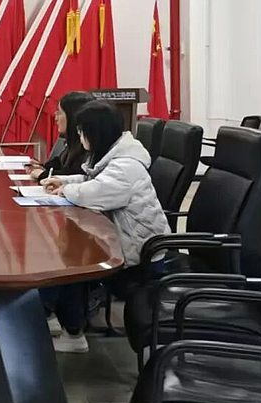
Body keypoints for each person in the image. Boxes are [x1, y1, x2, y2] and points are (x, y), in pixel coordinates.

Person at [40, 101, 170, 353]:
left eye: (82, 132)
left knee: (72, 261)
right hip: (125, 241)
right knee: (70, 251)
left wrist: (66, 190)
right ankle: (54, 317)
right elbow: (92, 179)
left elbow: (96, 192)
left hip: (141, 256)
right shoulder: (114, 156)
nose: (79, 137)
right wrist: (63, 181)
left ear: (95, 132)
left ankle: (70, 332)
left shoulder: (126, 166)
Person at [28, 91, 95, 181]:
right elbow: (60, 163)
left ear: (72, 116)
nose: (56, 118)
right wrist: (42, 167)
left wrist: (43, 174)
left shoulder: (88, 144)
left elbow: (78, 174)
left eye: (59, 113)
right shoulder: (72, 141)